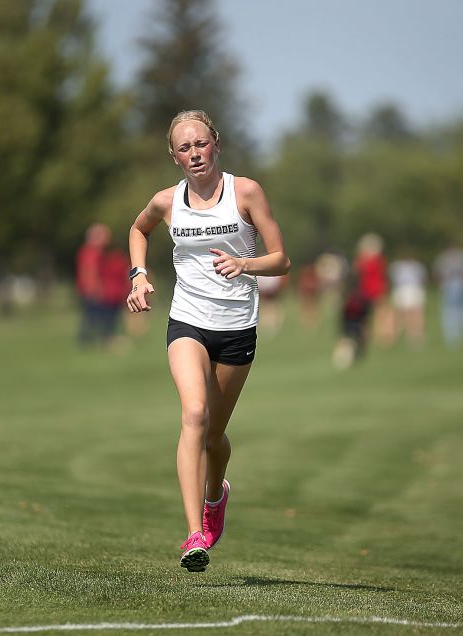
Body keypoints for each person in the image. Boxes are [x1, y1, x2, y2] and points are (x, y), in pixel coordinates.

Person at [126, 110, 290, 573]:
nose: (194, 153)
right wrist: (139, 275)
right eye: (184, 148)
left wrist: (246, 265)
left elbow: (282, 260)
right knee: (194, 414)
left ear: (215, 143)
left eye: (201, 144)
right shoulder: (166, 201)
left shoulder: (247, 192)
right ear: (174, 156)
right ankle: (194, 533)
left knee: (214, 437)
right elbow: (138, 230)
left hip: (237, 327)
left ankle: (216, 495)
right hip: (188, 321)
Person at [76, 223, 111, 346]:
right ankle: (92, 340)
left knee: (91, 317)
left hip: (89, 290)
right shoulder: (92, 252)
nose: (107, 239)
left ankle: (89, 340)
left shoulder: (91, 251)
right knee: (94, 317)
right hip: (91, 291)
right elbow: (90, 271)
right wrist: (94, 289)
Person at [388, 251, 428, 348]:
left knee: (407, 315)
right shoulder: (417, 266)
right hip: (411, 289)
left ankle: (411, 336)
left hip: (405, 290)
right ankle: (414, 336)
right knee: (414, 314)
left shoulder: (397, 266)